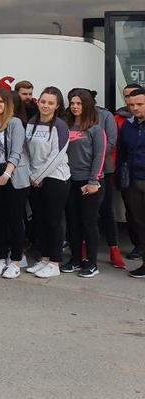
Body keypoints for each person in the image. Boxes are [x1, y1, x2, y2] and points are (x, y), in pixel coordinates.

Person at [0, 89, 31, 279]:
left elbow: (16, 152)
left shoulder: (14, 123)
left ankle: (16, 260)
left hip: (13, 175)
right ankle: (1, 257)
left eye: (1, 101)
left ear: (7, 104)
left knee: (14, 219)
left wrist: (7, 174)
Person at [24, 86, 71, 279]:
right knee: (40, 220)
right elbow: (26, 151)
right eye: (43, 101)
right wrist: (31, 174)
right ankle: (44, 259)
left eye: (50, 103)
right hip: (35, 178)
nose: (46, 105)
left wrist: (38, 176)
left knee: (53, 221)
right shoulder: (32, 122)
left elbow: (57, 156)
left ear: (57, 106)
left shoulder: (60, 126)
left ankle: (54, 262)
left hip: (56, 178)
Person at [61, 89, 105, 278]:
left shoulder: (95, 129)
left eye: (79, 103)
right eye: (72, 104)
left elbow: (100, 156)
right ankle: (76, 258)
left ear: (87, 105)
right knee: (73, 222)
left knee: (89, 222)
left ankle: (92, 263)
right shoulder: (65, 126)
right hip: (69, 180)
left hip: (89, 182)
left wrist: (94, 180)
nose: (75, 107)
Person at [90, 90, 124, 269]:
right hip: (80, 172)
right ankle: (84, 248)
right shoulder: (72, 118)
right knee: (85, 214)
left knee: (106, 210)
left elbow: (111, 142)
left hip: (105, 170)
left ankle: (114, 249)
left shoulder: (105, 116)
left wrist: (94, 157)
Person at [117, 87, 145, 277]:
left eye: (140, 104)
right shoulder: (128, 125)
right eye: (132, 104)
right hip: (134, 182)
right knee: (139, 223)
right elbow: (122, 153)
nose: (135, 108)